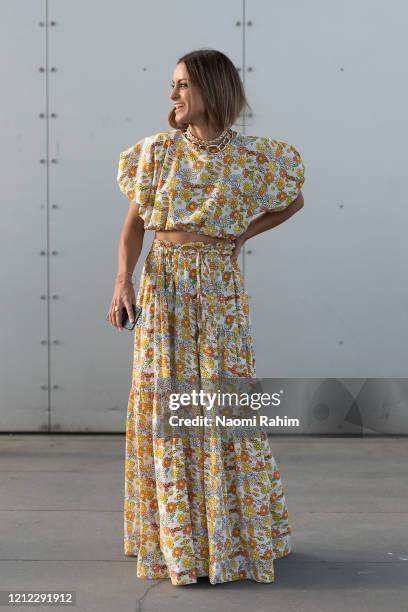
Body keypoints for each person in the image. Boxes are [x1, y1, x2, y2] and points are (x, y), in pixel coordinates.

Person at [108, 48, 305, 587]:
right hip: (163, 284)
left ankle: (232, 538)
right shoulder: (156, 154)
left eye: (181, 85)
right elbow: (133, 227)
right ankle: (176, 538)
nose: (172, 95)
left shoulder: (253, 158)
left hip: (217, 287)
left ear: (211, 90)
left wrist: (242, 234)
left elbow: (294, 201)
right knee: (166, 402)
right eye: (171, 85)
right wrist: (123, 281)